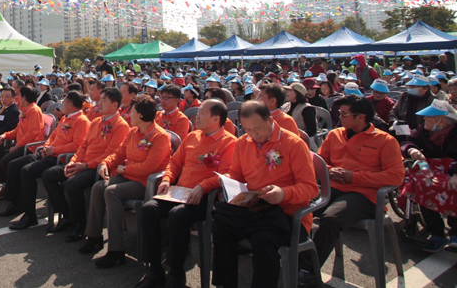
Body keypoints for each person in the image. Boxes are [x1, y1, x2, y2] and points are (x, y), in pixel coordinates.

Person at [297, 95, 405, 285]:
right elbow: (319, 163)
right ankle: (296, 260)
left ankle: (308, 268)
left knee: (331, 218)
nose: (340, 117)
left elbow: (395, 177)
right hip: (333, 188)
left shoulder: (385, 141)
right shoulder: (335, 134)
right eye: (340, 113)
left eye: (344, 114)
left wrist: (354, 177)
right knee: (296, 206)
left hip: (364, 195)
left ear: (361, 117)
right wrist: (330, 171)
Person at [212, 101, 318, 288]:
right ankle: (225, 284)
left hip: (287, 215)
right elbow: (236, 173)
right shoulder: (243, 142)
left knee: (263, 239)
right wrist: (228, 182)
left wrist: (283, 193)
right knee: (220, 226)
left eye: (258, 128)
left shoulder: (293, 144)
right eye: (247, 129)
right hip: (255, 209)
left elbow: (310, 188)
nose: (254, 134)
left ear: (270, 120)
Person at [136, 99, 237, 288]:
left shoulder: (229, 142)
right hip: (179, 192)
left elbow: (227, 175)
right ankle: (155, 269)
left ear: (216, 118)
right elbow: (174, 163)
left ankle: (176, 273)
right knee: (149, 209)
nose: (196, 116)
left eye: (201, 113)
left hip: (204, 198)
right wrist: (166, 179)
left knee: (177, 216)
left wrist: (203, 186)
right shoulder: (193, 137)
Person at [80, 95, 171, 268]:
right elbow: (119, 153)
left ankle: (116, 250)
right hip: (128, 176)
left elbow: (150, 166)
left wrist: (125, 169)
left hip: (145, 182)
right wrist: (105, 163)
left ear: (142, 115)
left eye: (133, 111)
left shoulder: (160, 136)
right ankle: (94, 237)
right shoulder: (133, 132)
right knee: (98, 187)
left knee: (111, 191)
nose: (128, 114)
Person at [41, 87, 131, 241]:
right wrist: (74, 162)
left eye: (104, 100)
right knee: (49, 174)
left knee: (72, 184)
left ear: (115, 105)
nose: (99, 103)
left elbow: (110, 155)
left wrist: (85, 166)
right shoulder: (96, 121)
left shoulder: (121, 126)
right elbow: (83, 146)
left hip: (99, 167)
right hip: (83, 163)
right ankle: (67, 215)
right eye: (100, 99)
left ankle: (80, 225)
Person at [0, 92, 91, 229]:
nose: (61, 105)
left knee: (27, 171)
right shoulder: (66, 118)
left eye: (64, 103)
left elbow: (77, 145)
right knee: (14, 165)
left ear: (71, 105)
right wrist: (46, 147)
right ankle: (15, 203)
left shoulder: (81, 121)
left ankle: (30, 215)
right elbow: (52, 136)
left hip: (61, 157)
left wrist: (53, 150)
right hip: (50, 153)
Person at [399, 100, 457, 252]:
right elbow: (408, 142)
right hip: (431, 171)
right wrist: (411, 150)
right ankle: (436, 232)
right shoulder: (423, 131)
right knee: (421, 187)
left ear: (441, 120)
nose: (424, 120)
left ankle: (455, 233)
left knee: (453, 188)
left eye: (428, 118)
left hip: (452, 171)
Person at [0, 86, 44, 200]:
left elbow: (33, 134)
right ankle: (6, 185)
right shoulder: (25, 110)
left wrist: (17, 146)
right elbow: (18, 130)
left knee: (5, 160)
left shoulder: (34, 110)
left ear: (24, 97)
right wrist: (5, 135)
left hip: (29, 147)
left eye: (19, 96)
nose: (18, 98)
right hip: (21, 144)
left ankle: (11, 190)